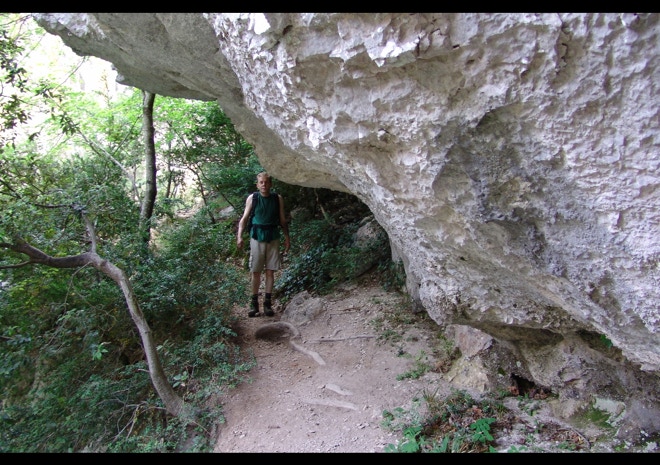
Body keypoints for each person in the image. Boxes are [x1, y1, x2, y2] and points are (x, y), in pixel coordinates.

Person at [237, 172, 290, 317]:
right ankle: (254, 304)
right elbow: (244, 219)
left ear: (270, 184)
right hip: (257, 236)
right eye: (261, 182)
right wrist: (239, 236)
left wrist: (287, 238)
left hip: (273, 236)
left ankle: (267, 304)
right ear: (257, 184)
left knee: (270, 271)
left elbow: (282, 220)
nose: (264, 185)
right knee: (255, 271)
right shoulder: (253, 198)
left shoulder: (277, 198)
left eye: (266, 182)